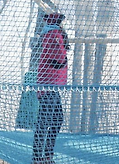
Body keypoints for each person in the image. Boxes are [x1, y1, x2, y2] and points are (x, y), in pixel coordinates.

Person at [33, 12, 69, 164]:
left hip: (51, 84)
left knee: (56, 119)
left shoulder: (52, 33)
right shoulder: (53, 34)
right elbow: (59, 56)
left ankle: (46, 155)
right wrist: (64, 59)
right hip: (49, 84)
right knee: (45, 121)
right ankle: (38, 157)